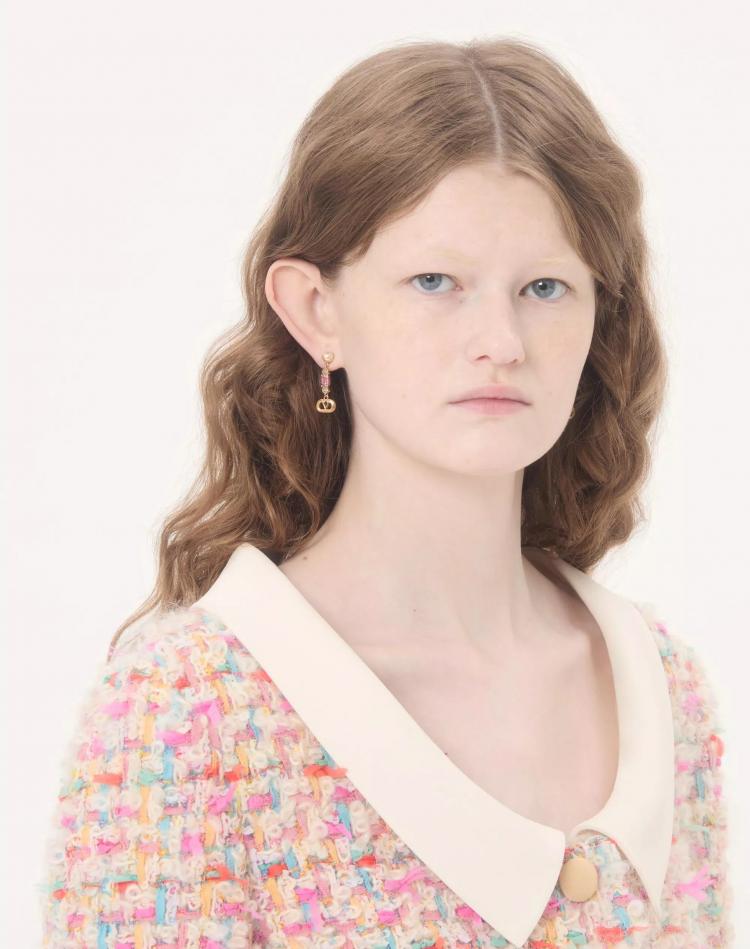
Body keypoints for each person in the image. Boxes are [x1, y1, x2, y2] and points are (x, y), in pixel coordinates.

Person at [38, 37, 734, 948]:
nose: (501, 340)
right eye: (435, 281)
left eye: (545, 287)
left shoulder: (661, 683)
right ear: (314, 309)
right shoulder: (186, 712)